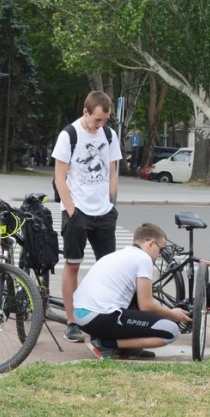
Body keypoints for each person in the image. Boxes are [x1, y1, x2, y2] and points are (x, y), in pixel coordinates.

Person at [52, 90, 123, 344]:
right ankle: (72, 322)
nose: (100, 125)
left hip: (104, 213)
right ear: (85, 112)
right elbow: (59, 178)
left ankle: (104, 321)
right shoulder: (68, 135)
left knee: (108, 269)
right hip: (77, 211)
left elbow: (113, 170)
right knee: (73, 265)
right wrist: (72, 212)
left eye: (104, 120)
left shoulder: (109, 135)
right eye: (97, 120)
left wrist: (112, 204)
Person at [73, 223, 190, 359]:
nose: (160, 256)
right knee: (171, 331)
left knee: (136, 301)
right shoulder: (143, 258)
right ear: (151, 244)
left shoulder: (119, 255)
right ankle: (105, 344)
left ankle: (128, 349)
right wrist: (172, 314)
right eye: (161, 249)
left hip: (81, 316)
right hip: (100, 317)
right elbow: (146, 305)